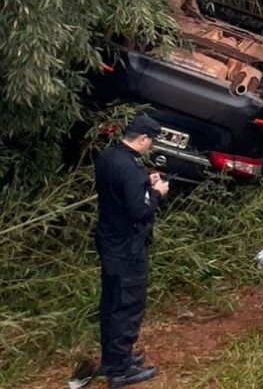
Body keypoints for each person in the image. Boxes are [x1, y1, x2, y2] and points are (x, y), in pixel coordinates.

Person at [92, 114, 169, 387]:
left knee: (111, 303)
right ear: (143, 139)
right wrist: (157, 192)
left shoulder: (108, 157)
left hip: (109, 241)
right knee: (128, 305)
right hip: (128, 248)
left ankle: (114, 358)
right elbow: (140, 210)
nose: (151, 146)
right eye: (151, 141)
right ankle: (120, 371)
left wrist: (144, 186)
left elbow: (122, 195)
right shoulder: (131, 168)